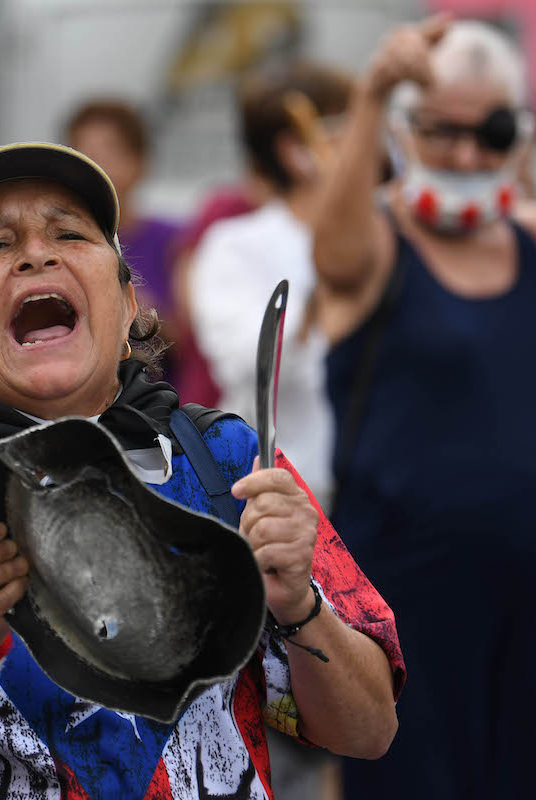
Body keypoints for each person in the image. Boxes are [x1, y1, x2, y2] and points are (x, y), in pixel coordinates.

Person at [0, 142, 406, 799]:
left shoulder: (226, 461)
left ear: (125, 305)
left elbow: (369, 730)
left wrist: (298, 604)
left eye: (69, 232)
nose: (37, 253)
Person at [310, 15, 536, 800]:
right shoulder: (379, 244)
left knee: (531, 771)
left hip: (534, 568)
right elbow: (332, 255)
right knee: (413, 776)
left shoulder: (533, 240)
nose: (469, 155)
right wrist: (372, 92)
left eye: (492, 131)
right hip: (404, 579)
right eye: (444, 133)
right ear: (409, 129)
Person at [190, 61, 352, 509]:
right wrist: (332, 270)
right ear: (297, 151)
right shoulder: (234, 247)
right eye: (345, 128)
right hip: (284, 497)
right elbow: (246, 367)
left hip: (388, 500)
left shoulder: (392, 235)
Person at [65, 99, 185, 387]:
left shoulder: (175, 240)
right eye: (83, 154)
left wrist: (133, 305)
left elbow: (190, 340)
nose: (96, 167)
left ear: (141, 162)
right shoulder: (55, 247)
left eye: (109, 153)